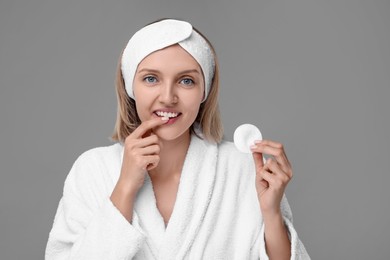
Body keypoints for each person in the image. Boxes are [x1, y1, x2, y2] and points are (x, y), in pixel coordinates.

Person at [45, 18, 310, 259]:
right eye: (151, 79)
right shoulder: (92, 169)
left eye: (186, 81)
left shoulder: (242, 168)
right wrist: (124, 188)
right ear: (130, 87)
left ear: (204, 91)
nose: (168, 97)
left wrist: (271, 213)